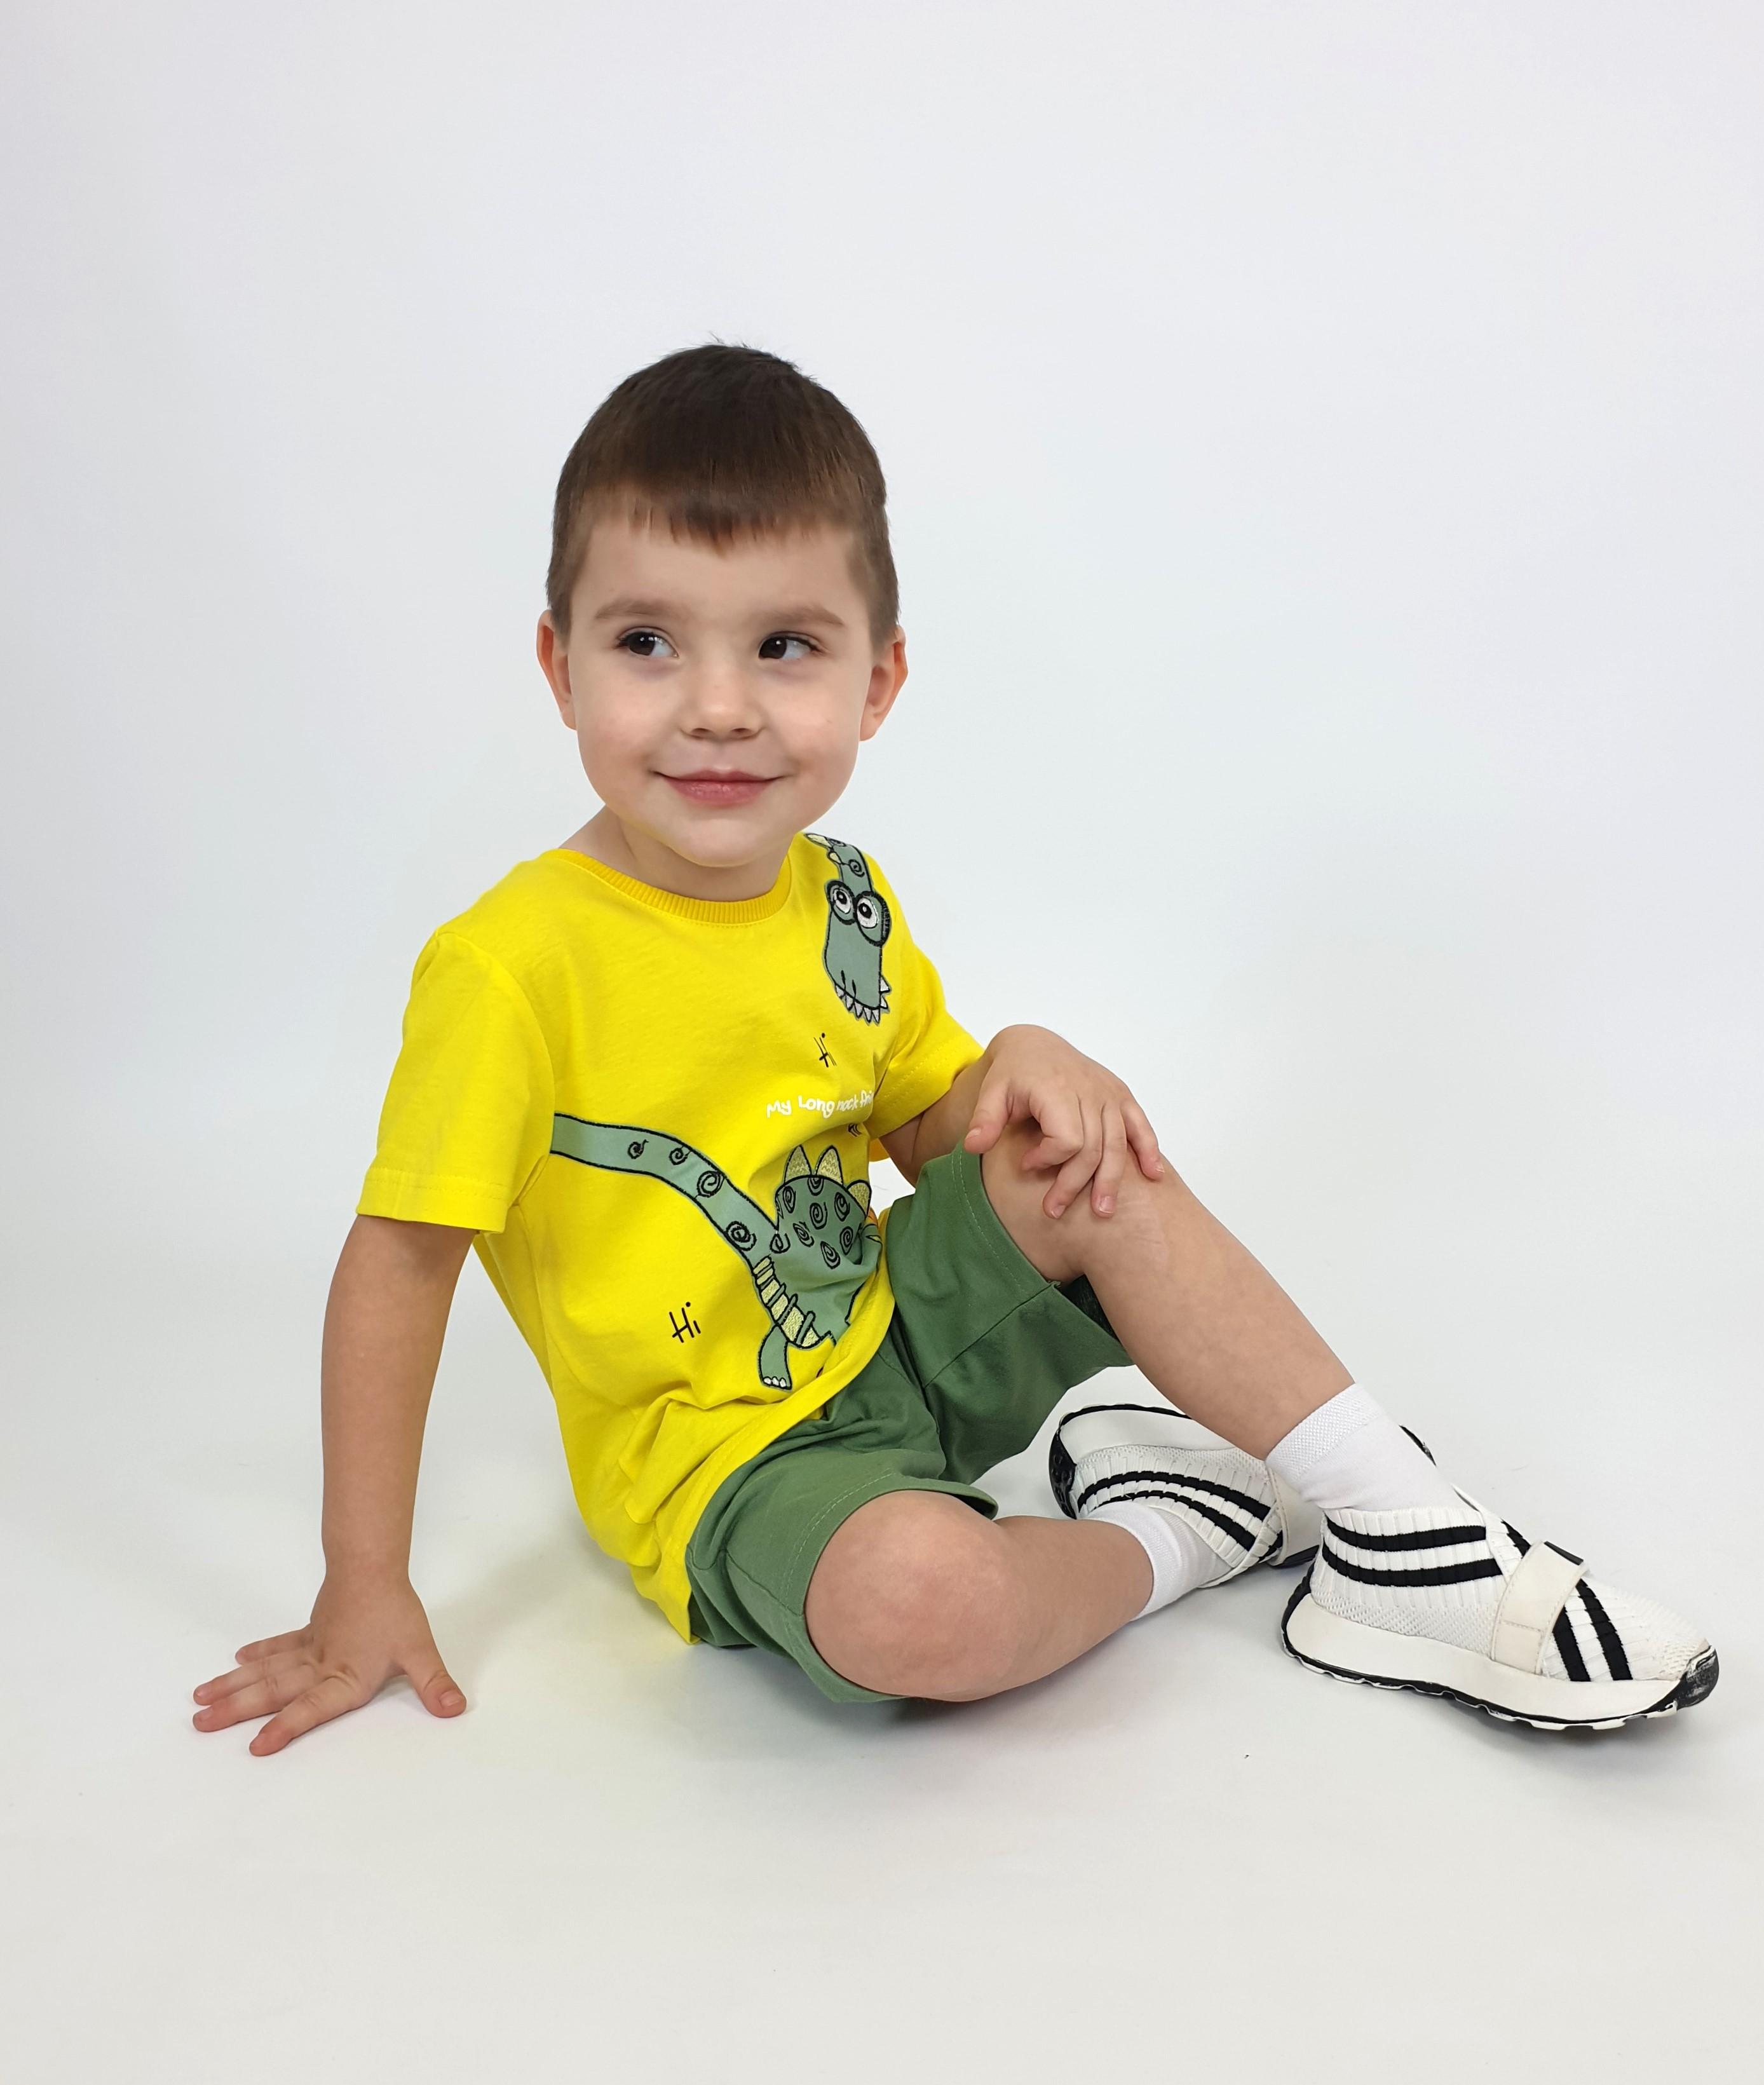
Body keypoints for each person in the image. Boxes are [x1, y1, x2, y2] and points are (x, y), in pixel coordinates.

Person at [190, 344, 1718, 1757]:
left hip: (891, 1339)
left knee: (1082, 1152)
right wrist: (361, 1579)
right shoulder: (511, 964)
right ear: (558, 666)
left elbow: (934, 1127)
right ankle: (1175, 1531)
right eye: (647, 642)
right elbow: (400, 1263)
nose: (716, 708)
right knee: (919, 1599)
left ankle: (1403, 1532)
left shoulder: (839, 897)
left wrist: (1026, 1060)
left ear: (875, 682)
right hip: (728, 1467)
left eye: (782, 647)